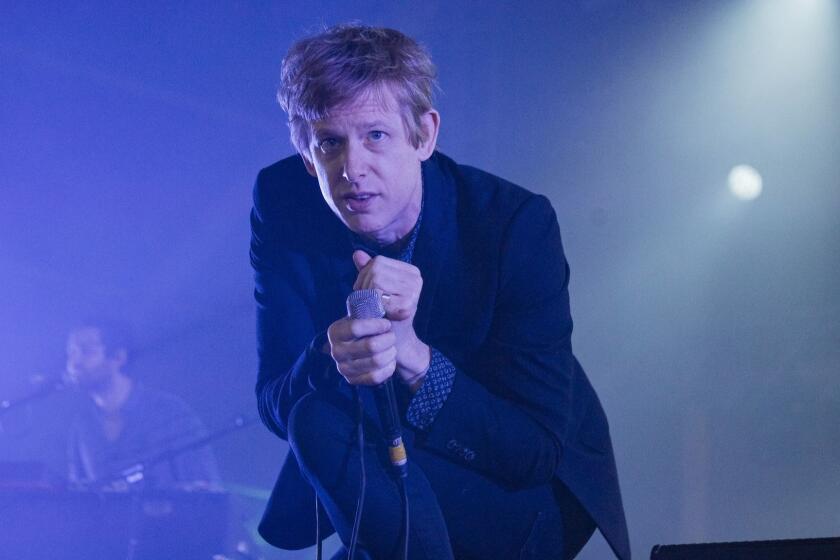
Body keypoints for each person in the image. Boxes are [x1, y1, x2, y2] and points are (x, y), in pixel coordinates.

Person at [251, 24, 630, 560]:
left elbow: (533, 452)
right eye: (330, 143)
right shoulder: (283, 200)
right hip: (386, 487)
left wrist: (413, 358)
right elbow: (273, 402)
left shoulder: (511, 225)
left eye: (376, 135)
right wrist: (330, 353)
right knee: (311, 417)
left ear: (424, 136)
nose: (352, 168)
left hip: (513, 490)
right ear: (307, 155)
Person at [65, 321, 221, 490]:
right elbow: (79, 496)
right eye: (71, 352)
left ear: (118, 357)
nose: (75, 363)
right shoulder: (82, 424)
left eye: (87, 351)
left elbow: (205, 490)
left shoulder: (170, 412)